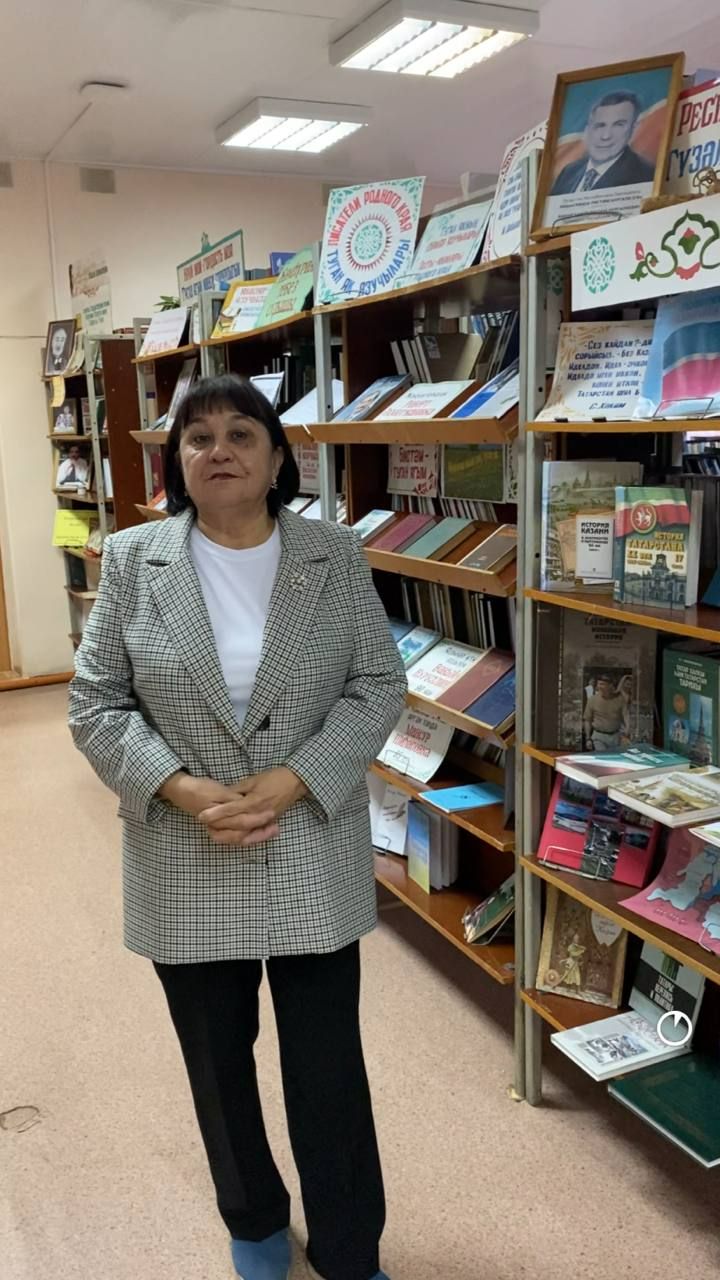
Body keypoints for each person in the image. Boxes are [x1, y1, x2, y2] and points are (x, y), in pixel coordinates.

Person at [68, 374, 407, 1280]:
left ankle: (349, 1245)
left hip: (308, 842)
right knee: (217, 1059)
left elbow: (378, 684)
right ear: (177, 461)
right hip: (188, 846)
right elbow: (95, 703)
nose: (219, 450)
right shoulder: (134, 558)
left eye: (241, 433)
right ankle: (252, 1217)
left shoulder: (334, 553)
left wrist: (298, 778)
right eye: (198, 436)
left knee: (327, 1064)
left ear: (277, 456)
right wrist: (179, 787)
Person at [551, 91, 656, 195]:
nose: (606, 136)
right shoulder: (569, 172)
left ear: (634, 129)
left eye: (618, 125)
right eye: (600, 125)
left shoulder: (646, 175)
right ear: (588, 129)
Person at [583, 673, 629, 751]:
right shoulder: (592, 700)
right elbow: (587, 720)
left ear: (610, 685)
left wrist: (627, 728)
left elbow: (626, 715)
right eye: (598, 684)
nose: (599, 686)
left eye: (602, 684)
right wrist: (588, 738)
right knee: (602, 755)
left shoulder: (620, 699)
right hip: (599, 736)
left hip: (616, 736)